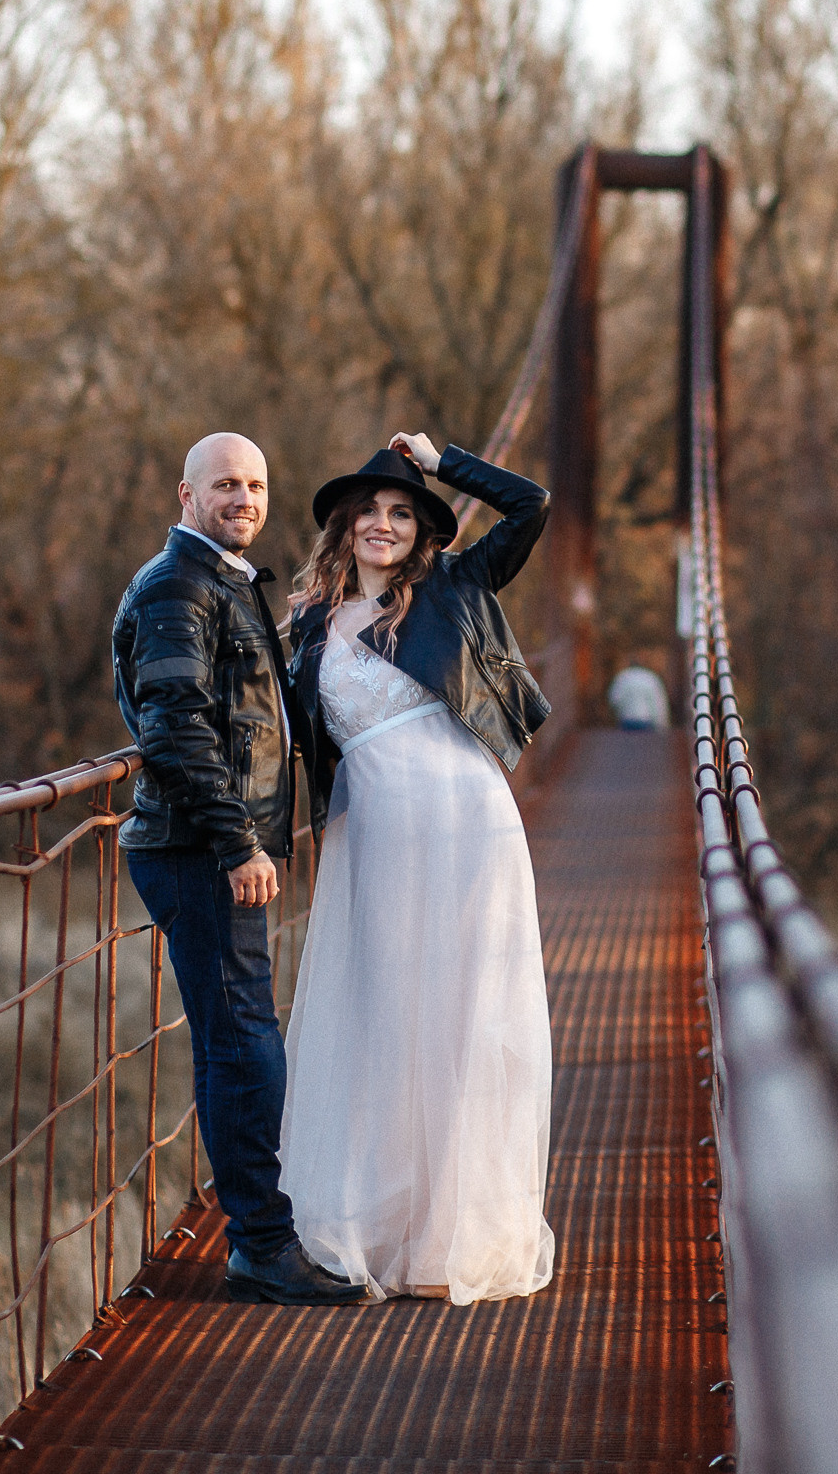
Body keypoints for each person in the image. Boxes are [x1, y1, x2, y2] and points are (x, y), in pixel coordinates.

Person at [277, 432, 557, 1304]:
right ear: (343, 526)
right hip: (375, 843)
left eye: (401, 514)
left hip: (468, 828)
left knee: (462, 1015)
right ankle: (380, 1222)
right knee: (384, 1017)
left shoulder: (454, 587)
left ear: (421, 532)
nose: (384, 526)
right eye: (370, 512)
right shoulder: (308, 627)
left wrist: (443, 462)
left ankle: (454, 1232)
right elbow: (267, 727)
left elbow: (532, 505)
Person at [110, 432, 367, 1306]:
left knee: (234, 1045)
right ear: (185, 496)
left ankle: (259, 1235)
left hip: (213, 846)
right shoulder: (179, 586)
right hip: (198, 851)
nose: (245, 498)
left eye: (257, 484)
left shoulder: (227, 580)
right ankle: (262, 1243)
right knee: (246, 1044)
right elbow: (174, 724)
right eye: (226, 484)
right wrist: (238, 844)